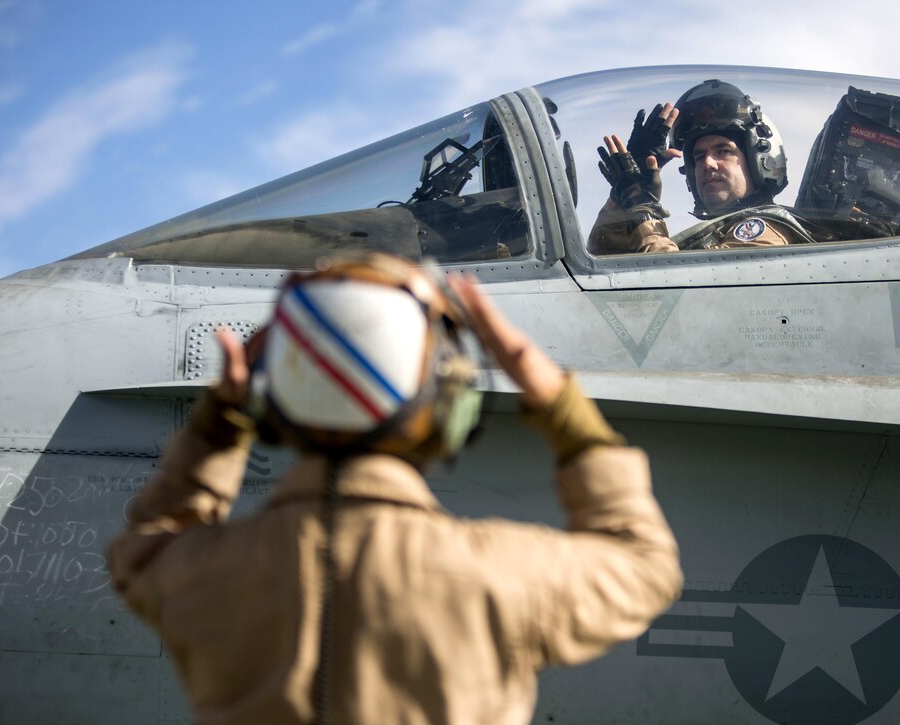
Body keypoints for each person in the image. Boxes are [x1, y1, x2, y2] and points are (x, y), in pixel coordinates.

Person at [107, 252, 682, 725]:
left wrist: (218, 422)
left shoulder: (203, 577)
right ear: (448, 407)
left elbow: (151, 542)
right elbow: (645, 565)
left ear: (275, 402)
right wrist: (560, 405)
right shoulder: (503, 579)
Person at [588, 80, 814, 255]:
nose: (707, 163)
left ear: (759, 161)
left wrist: (641, 207)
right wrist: (623, 199)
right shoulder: (716, 236)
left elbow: (680, 290)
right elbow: (604, 257)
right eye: (698, 156)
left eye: (723, 151)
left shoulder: (767, 233)